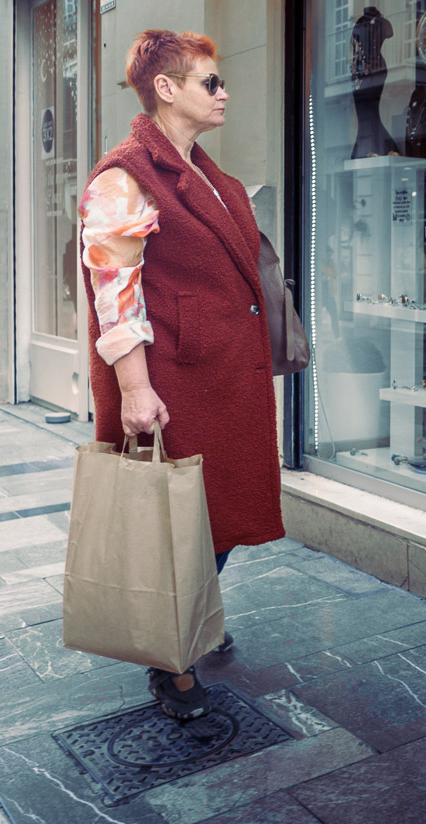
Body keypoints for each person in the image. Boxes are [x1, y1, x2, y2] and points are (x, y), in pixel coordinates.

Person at [78, 30, 285, 720]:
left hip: (221, 373)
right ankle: (170, 663)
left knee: (216, 512)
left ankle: (192, 618)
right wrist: (135, 389)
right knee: (183, 518)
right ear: (165, 89)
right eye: (210, 82)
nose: (224, 93)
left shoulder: (206, 172)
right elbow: (116, 291)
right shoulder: (125, 175)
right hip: (175, 379)